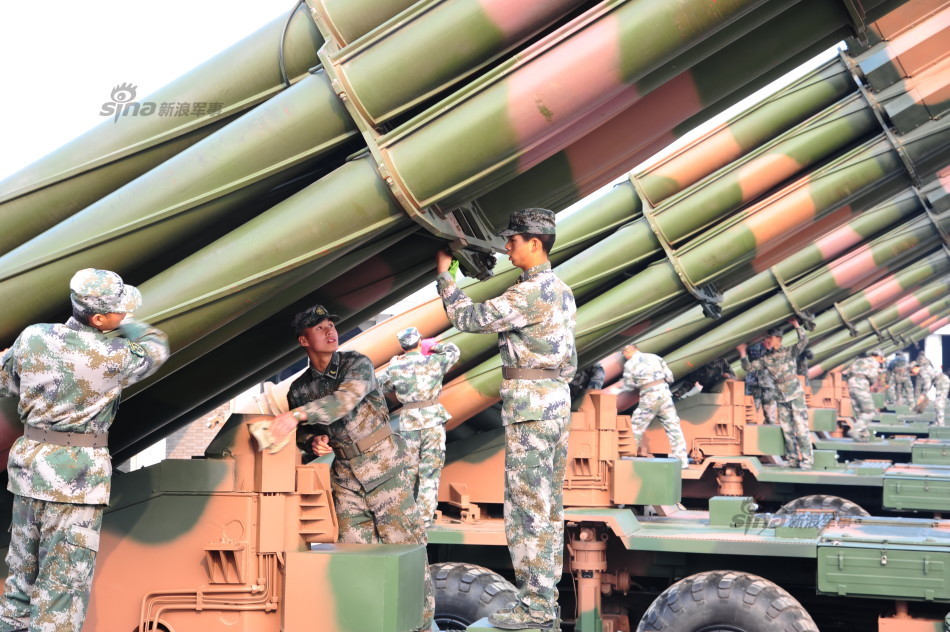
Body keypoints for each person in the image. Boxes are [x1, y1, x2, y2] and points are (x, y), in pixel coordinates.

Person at [0, 269, 169, 632]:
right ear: (99, 319)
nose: (124, 313)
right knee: (61, 593)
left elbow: (6, 382)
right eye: (118, 310)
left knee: (19, 586)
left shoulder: (33, 337)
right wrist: (130, 324)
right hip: (75, 483)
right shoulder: (114, 354)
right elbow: (156, 348)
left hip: (29, 475)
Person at [434, 207, 576, 631]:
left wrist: (445, 275)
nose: (508, 247)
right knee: (548, 508)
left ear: (535, 243)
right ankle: (545, 603)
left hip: (531, 409)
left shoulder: (529, 293)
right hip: (554, 403)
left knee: (526, 509)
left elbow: (469, 318)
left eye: (513, 241)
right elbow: (569, 357)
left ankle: (534, 608)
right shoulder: (562, 290)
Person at [267, 305, 433, 631]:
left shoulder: (357, 364)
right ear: (304, 340)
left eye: (330, 325)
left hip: (385, 469)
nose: (330, 331)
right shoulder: (299, 390)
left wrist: (296, 416)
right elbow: (303, 435)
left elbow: (342, 402)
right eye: (320, 328)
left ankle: (421, 626)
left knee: (407, 555)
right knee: (357, 559)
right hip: (345, 481)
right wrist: (312, 440)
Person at [377, 327, 460, 526]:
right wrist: (434, 347)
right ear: (420, 342)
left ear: (402, 347)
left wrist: (393, 364)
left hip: (410, 423)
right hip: (433, 421)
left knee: (408, 470)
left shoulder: (396, 367)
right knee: (430, 471)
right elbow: (454, 351)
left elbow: (381, 384)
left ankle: (406, 516)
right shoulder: (434, 361)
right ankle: (424, 518)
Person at [737, 321, 814, 469]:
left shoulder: (789, 351)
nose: (767, 340)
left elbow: (804, 341)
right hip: (780, 397)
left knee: (801, 428)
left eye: (770, 338)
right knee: (787, 430)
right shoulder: (767, 358)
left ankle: (807, 460)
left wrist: (796, 325)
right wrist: (742, 352)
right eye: (766, 338)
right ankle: (792, 460)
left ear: (779, 338)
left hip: (795, 395)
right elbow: (748, 367)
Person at [620, 343, 689, 468]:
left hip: (649, 399)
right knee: (674, 428)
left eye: (624, 354)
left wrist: (620, 389)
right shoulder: (655, 357)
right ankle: (683, 462)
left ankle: (627, 461)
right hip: (665, 396)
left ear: (627, 351)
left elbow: (628, 387)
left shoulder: (630, 364)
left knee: (636, 428)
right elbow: (670, 378)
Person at [844, 349, 884, 442]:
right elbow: (873, 376)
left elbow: (847, 373)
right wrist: (870, 384)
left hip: (851, 384)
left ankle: (862, 435)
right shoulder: (874, 362)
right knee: (869, 412)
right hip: (861, 385)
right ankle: (855, 430)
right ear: (879, 357)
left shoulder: (858, 361)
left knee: (860, 412)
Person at [744, 342, 779, 426]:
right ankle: (750, 433)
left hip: (769, 384)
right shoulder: (753, 343)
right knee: (749, 416)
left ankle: (768, 433)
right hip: (753, 384)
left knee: (770, 418)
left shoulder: (774, 344)